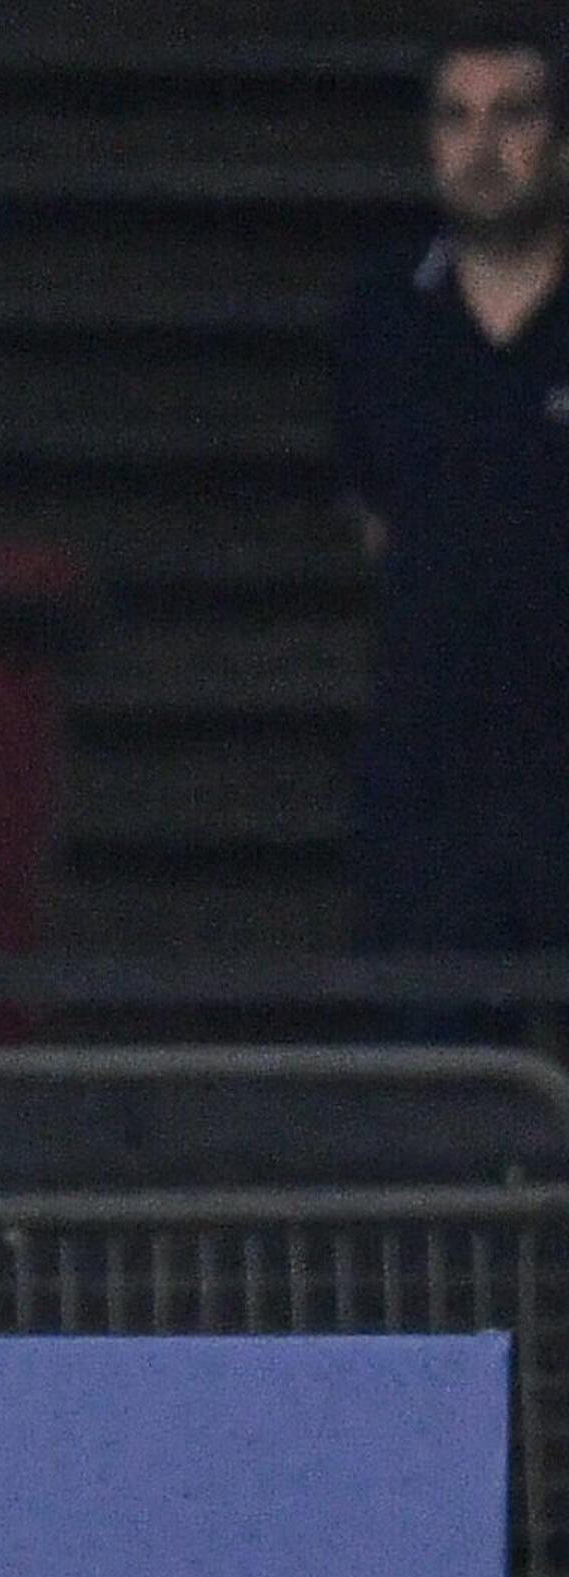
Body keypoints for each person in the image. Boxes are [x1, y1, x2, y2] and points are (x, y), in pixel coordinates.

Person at [334, 14, 569, 949]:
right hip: (430, 766)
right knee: (433, 1065)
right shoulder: (386, 312)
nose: (483, 146)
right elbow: (366, 501)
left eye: (513, 116)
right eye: (456, 118)